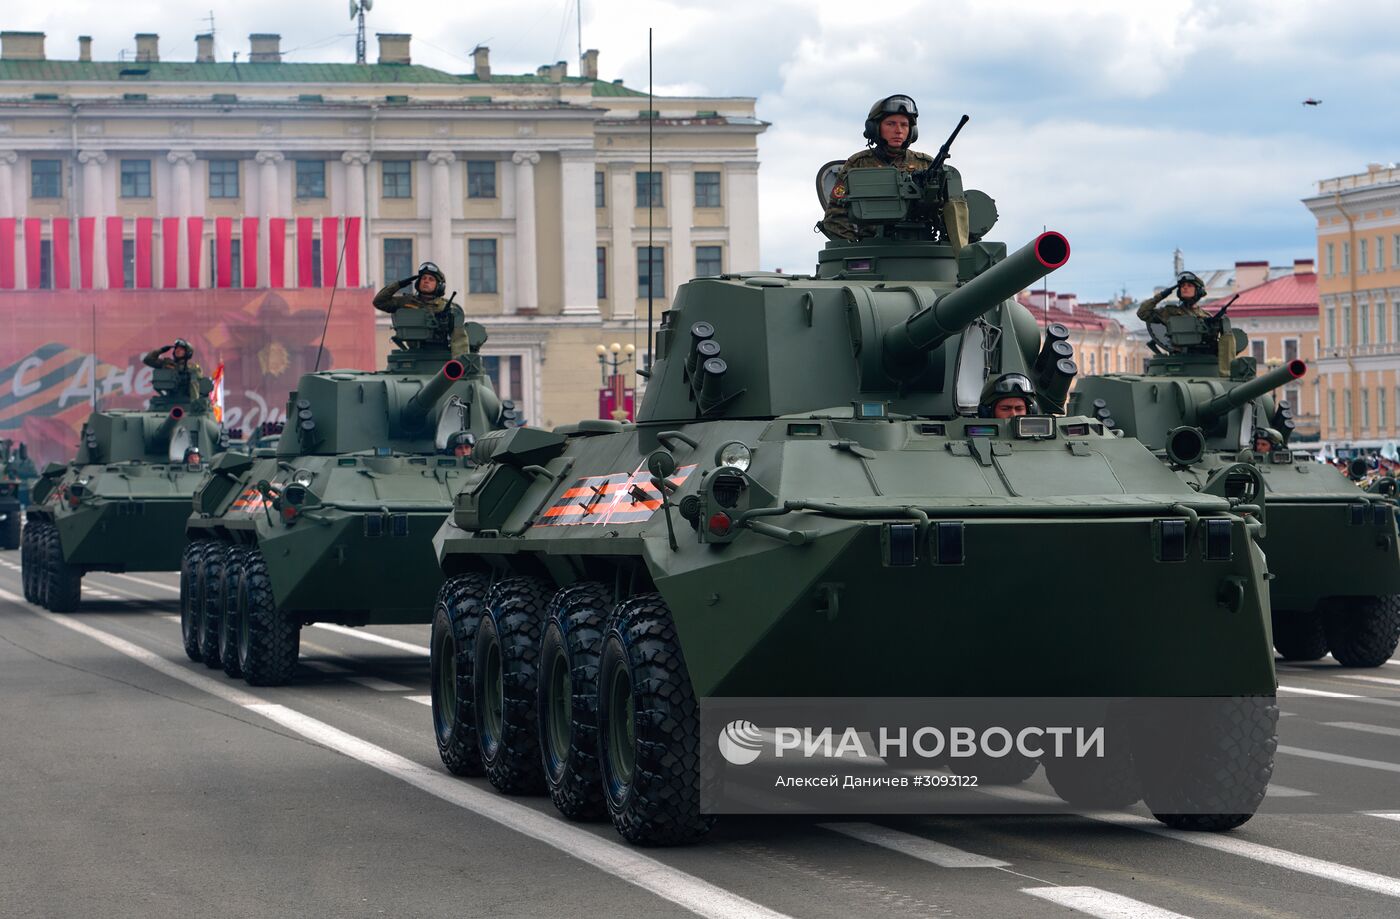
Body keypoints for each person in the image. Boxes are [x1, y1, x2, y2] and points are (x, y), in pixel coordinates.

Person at [821, 95, 968, 250]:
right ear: (875, 128)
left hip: (922, 248)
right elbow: (835, 216)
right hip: (873, 249)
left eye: (904, 125)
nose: (898, 131)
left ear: (912, 131)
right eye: (891, 124)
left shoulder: (927, 165)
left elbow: (949, 212)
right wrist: (857, 247)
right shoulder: (858, 165)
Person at [1136, 271, 1234, 373]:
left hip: (1206, 363)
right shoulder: (1171, 312)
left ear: (1199, 291)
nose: (1185, 288)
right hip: (1179, 362)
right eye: (1182, 286)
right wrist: (1162, 295)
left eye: (1189, 285)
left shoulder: (1207, 316)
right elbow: (1142, 313)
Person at [373, 261, 470, 358]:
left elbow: (459, 339)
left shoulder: (448, 308)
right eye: (423, 278)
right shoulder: (406, 302)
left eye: (431, 279)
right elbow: (379, 302)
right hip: (412, 356)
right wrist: (399, 285)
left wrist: (460, 362)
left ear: (440, 286)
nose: (426, 281)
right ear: (418, 282)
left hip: (440, 356)